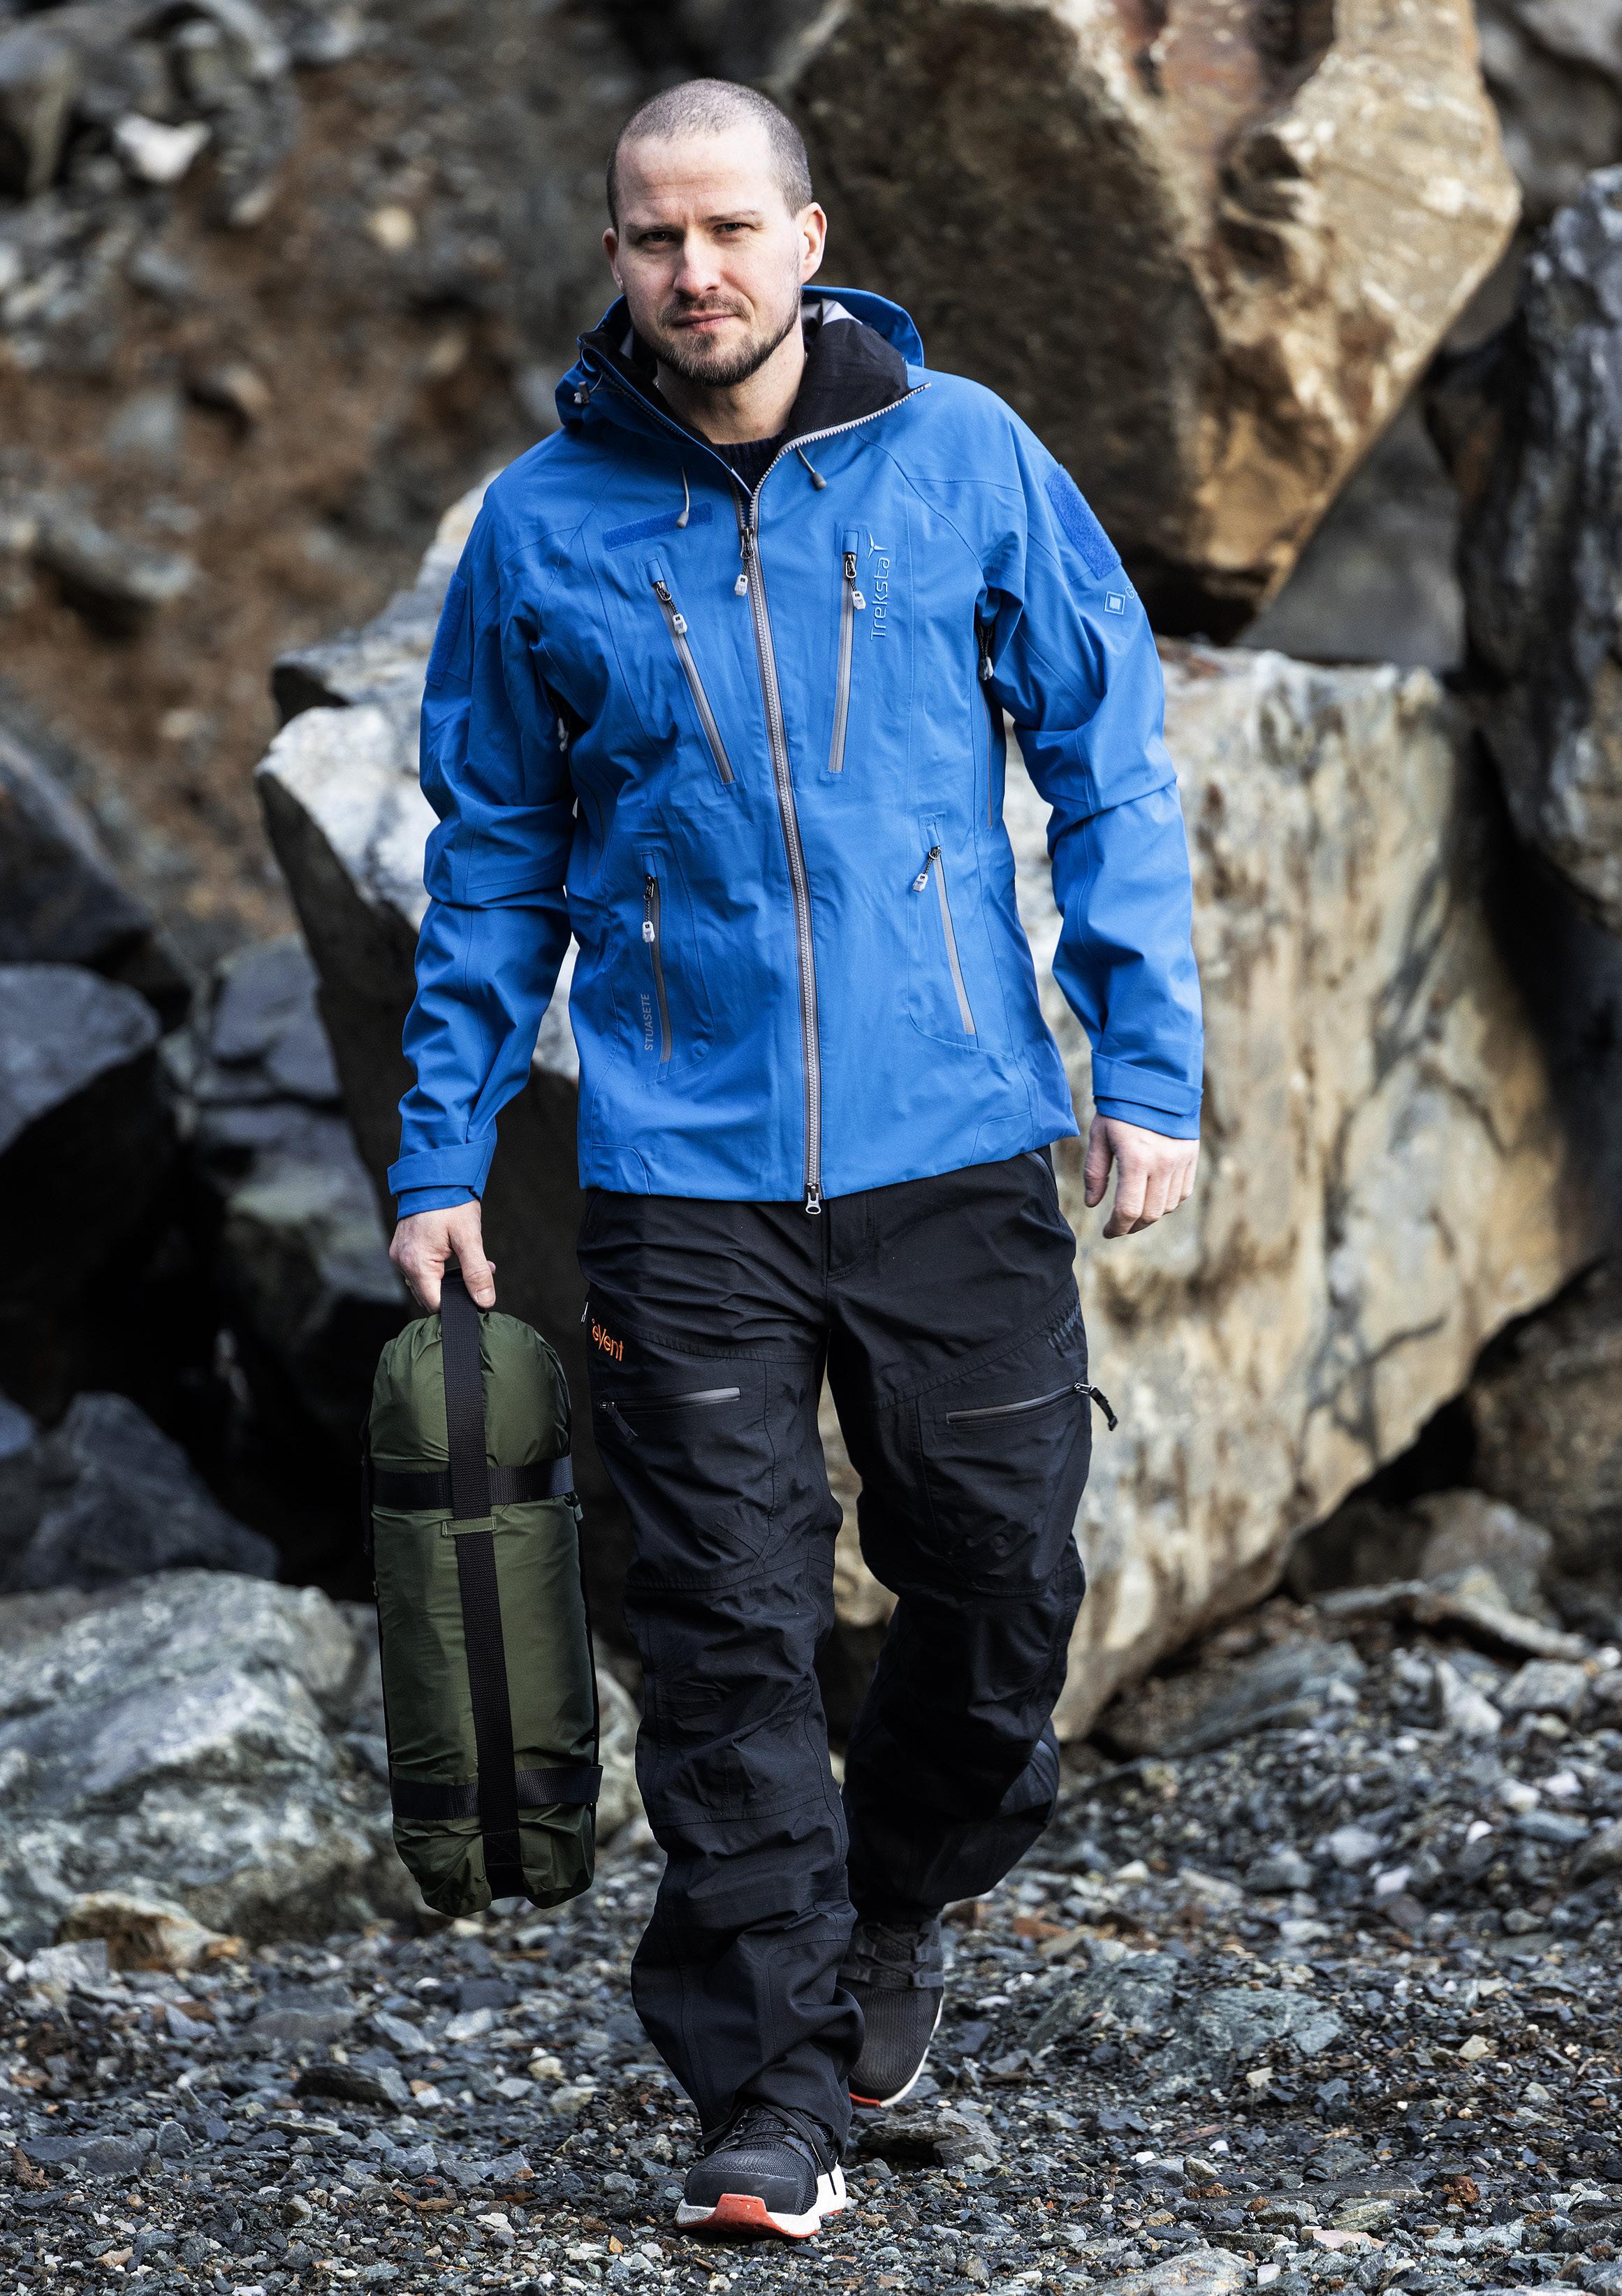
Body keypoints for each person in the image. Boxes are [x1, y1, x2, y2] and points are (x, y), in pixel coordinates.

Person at [387, 78, 1201, 2243]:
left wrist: (1146, 1066)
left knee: (1001, 1594)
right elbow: (491, 865)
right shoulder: (540, 526)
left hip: (955, 1143)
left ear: (809, 237)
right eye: (656, 239)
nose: (697, 273)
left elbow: (1108, 766)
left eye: (730, 229)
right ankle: (766, 2094)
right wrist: (440, 1148)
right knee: (725, 1629)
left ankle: (895, 1896)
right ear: (615, 259)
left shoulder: (968, 457)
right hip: (683, 1171)